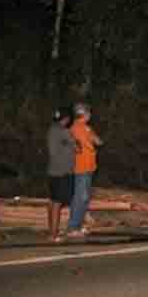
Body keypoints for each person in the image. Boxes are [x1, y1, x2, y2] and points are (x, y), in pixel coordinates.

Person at [67, 102, 104, 239]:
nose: (90, 115)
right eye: (89, 112)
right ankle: (73, 227)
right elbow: (97, 142)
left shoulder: (83, 128)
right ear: (84, 114)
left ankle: (78, 225)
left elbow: (99, 142)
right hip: (80, 167)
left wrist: (91, 134)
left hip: (88, 166)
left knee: (84, 197)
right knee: (80, 197)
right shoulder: (76, 129)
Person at [46, 106, 76, 243]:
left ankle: (51, 232)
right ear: (67, 119)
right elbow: (77, 147)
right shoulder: (64, 131)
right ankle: (54, 234)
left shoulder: (52, 129)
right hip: (62, 171)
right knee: (57, 202)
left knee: (52, 201)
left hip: (52, 170)